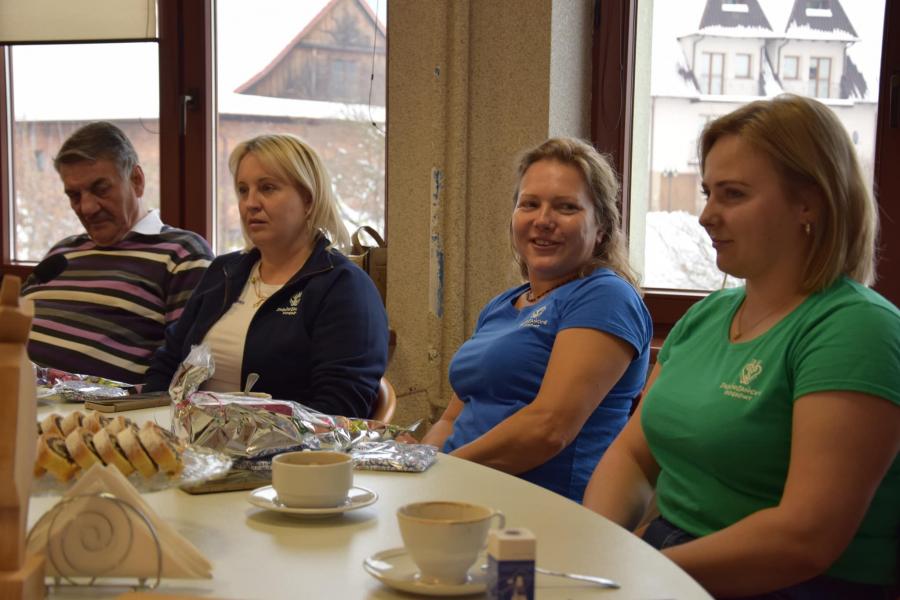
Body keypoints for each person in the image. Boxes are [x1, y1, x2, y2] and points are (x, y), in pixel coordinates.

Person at [584, 95, 900, 599]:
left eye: (732, 195)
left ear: (809, 203)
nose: (707, 215)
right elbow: (635, 455)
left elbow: (805, 540)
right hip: (668, 561)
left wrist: (639, 573)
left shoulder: (856, 329)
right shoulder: (707, 316)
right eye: (708, 192)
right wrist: (594, 550)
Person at [422, 137, 652, 502]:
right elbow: (451, 418)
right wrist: (419, 465)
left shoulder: (605, 296)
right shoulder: (503, 305)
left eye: (566, 207)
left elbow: (549, 429)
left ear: (602, 228)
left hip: (540, 509)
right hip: (461, 492)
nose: (543, 221)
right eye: (530, 204)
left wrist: (444, 472)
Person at [144, 134, 388, 418]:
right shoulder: (223, 272)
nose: (250, 203)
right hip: (184, 437)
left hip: (281, 446)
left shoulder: (344, 287)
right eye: (243, 190)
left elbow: (339, 410)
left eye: (267, 188)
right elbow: (167, 365)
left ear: (308, 200)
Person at [21, 122, 213, 384]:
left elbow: (186, 370)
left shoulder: (182, 254)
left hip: (94, 408)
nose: (87, 208)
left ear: (137, 180)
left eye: (101, 189)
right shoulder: (63, 252)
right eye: (74, 195)